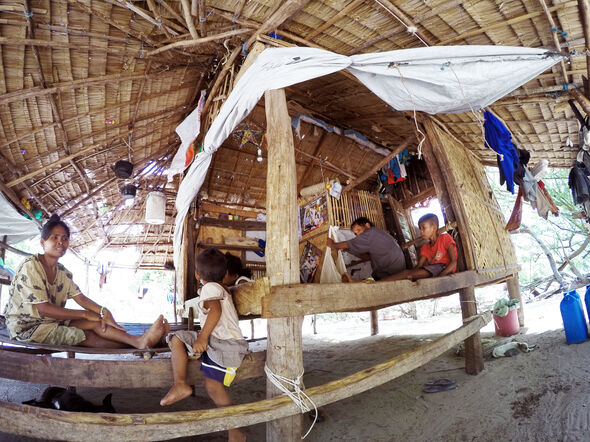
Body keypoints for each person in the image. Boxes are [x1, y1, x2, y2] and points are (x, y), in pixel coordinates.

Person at [3, 214, 169, 348]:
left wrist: (103, 312)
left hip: (50, 322)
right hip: (27, 327)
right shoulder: (31, 266)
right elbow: (44, 309)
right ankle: (140, 343)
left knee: (97, 323)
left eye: (65, 238)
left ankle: (139, 340)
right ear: (42, 242)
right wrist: (86, 314)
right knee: (84, 336)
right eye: (55, 237)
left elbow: (80, 298)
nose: (61, 242)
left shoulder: (63, 273)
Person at [160, 248, 248, 441]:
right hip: (218, 341)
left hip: (225, 344)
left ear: (197, 274)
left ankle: (235, 431)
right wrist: (202, 337)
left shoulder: (211, 289)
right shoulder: (218, 288)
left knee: (213, 387)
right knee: (177, 338)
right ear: (226, 274)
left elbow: (215, 311)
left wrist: (201, 338)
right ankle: (180, 384)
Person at [381, 213, 457, 281]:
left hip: (444, 268)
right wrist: (412, 274)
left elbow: (454, 261)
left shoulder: (445, 238)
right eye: (420, 229)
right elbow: (419, 265)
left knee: (407, 274)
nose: (421, 231)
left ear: (434, 227)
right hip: (433, 269)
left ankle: (378, 283)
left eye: (423, 228)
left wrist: (441, 277)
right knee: (406, 273)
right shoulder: (426, 247)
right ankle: (378, 283)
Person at [326, 216, 405, 280]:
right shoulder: (376, 236)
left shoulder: (371, 233)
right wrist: (346, 249)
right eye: (355, 234)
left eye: (359, 230)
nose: (358, 235)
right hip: (392, 271)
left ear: (367, 225)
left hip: (393, 273)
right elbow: (367, 257)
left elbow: (350, 243)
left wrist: (333, 244)